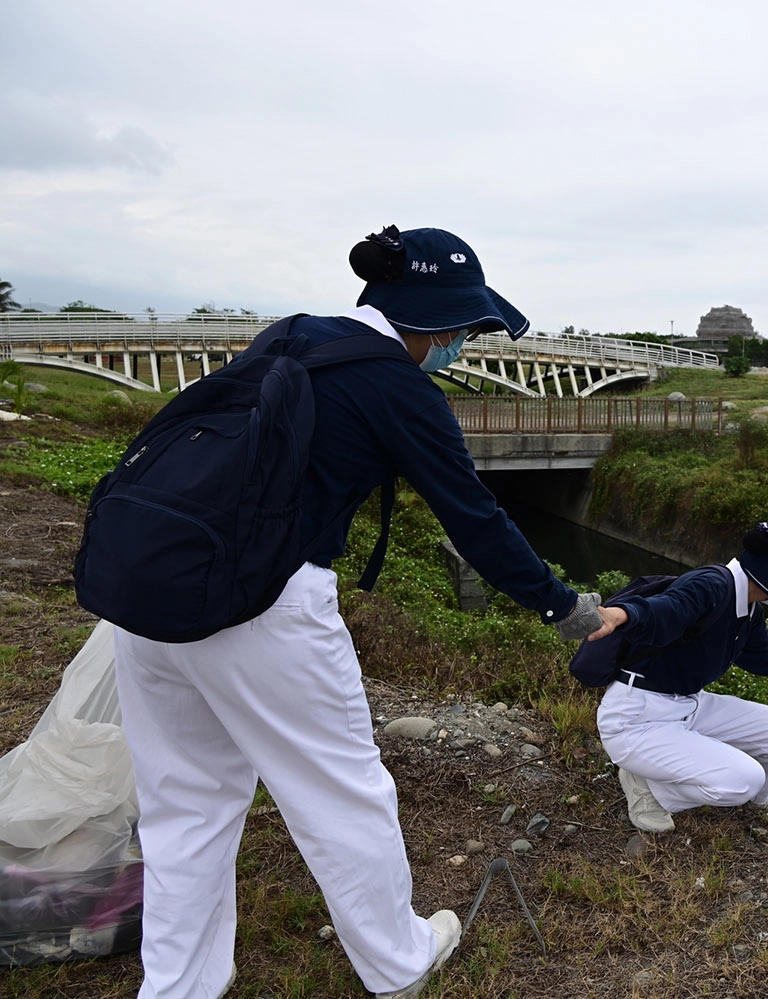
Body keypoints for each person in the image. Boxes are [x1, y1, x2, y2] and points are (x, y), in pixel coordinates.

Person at [110, 226, 605, 999]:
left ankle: (178, 984)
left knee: (185, 804)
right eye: (468, 332)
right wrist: (564, 607)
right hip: (264, 604)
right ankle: (398, 962)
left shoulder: (291, 336)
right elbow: (476, 520)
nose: (464, 348)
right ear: (441, 322)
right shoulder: (399, 387)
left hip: (151, 592)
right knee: (342, 792)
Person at [586, 519, 768, 834]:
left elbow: (762, 652)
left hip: (688, 703)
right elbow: (665, 610)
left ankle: (754, 800)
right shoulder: (711, 585)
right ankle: (649, 789)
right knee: (742, 779)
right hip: (637, 716)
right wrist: (621, 614)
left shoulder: (747, 606)